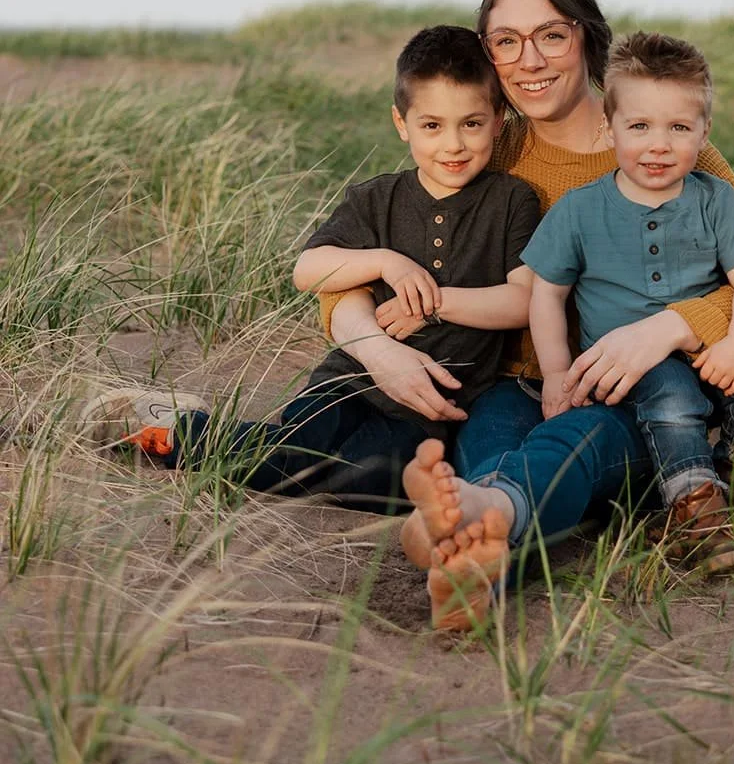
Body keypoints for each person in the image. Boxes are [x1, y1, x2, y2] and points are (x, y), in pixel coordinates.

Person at [319, 0, 734, 630]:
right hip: (508, 384)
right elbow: (364, 271)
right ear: (487, 55)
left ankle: (476, 523)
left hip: (639, 394)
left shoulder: (656, 143)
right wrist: (373, 345)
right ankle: (470, 559)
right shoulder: (484, 146)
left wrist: (664, 328)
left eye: (551, 35)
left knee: (575, 441)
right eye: (505, 41)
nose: (529, 59)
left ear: (586, 37)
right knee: (492, 449)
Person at [80, 27, 542, 510]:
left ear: (498, 120)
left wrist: (432, 305)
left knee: (369, 486)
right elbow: (309, 270)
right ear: (401, 123)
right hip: (350, 377)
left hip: (429, 410)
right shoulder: (376, 198)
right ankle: (169, 430)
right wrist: (385, 261)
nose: (453, 145)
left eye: (471, 124)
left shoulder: (511, 201)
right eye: (432, 126)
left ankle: (221, 440)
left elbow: (520, 301)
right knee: (292, 460)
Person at [522, 30, 734, 570]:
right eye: (639, 126)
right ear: (609, 126)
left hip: (708, 347)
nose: (658, 144)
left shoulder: (715, 199)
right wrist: (555, 373)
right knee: (673, 403)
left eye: (679, 128)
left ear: (704, 132)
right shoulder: (579, 210)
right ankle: (696, 515)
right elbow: (547, 295)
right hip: (630, 364)